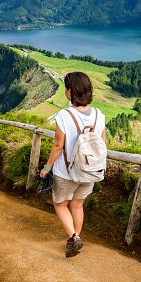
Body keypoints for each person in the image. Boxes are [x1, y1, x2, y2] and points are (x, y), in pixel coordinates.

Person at [40, 71, 106, 257]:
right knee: (77, 205)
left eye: (65, 88)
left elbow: (57, 146)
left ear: (70, 91)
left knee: (60, 204)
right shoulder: (99, 115)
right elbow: (102, 144)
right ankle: (75, 238)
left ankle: (74, 238)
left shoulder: (64, 115)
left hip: (66, 172)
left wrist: (46, 168)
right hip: (90, 171)